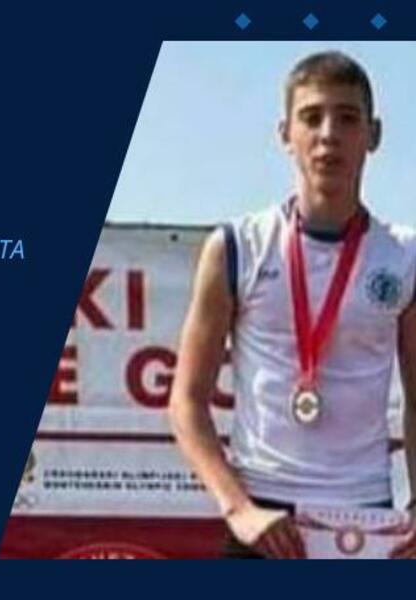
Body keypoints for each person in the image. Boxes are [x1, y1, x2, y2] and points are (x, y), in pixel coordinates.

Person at [169, 50, 416, 559]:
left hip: (367, 518)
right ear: (285, 133)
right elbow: (186, 402)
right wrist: (239, 508)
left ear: (373, 134)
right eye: (311, 117)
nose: (329, 134)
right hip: (264, 518)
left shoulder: (404, 256)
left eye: (347, 118)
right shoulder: (237, 247)